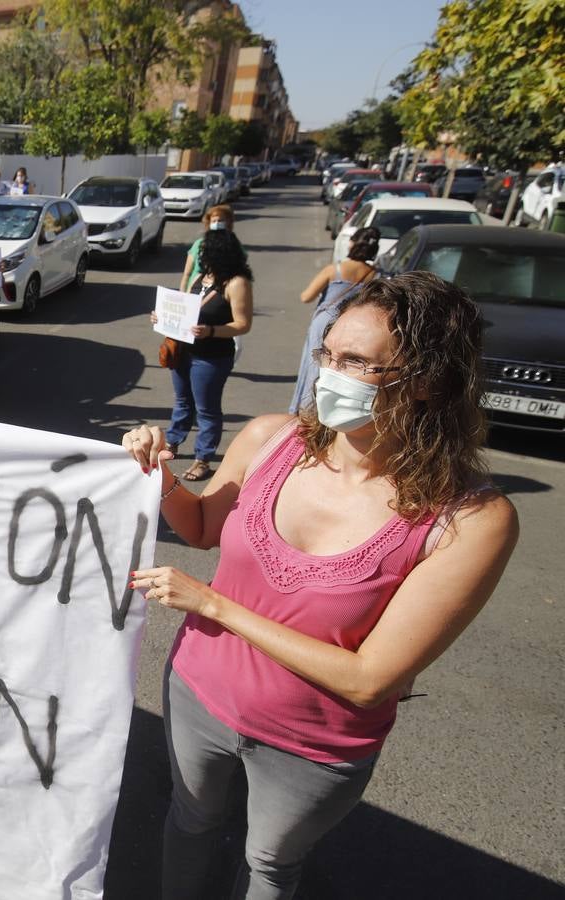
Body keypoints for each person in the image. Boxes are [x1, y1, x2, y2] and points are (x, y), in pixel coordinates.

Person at [123, 271, 517, 900]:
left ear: (429, 381)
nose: (329, 374)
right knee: (190, 821)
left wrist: (214, 604)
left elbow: (369, 678)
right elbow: (199, 528)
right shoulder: (270, 440)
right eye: (326, 354)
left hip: (314, 741)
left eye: (356, 361)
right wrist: (161, 473)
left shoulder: (471, 521)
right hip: (199, 689)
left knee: (270, 863)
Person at [153, 230, 254, 482]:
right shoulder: (200, 276)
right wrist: (161, 317)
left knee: (207, 409)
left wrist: (211, 331)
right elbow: (183, 308)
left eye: (205, 250)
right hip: (184, 350)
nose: (201, 254)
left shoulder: (236, 283)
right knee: (182, 401)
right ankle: (174, 442)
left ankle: (203, 458)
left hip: (212, 357)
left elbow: (243, 324)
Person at [289, 226, 380, 414]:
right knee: (339, 366)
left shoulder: (335, 269)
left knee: (314, 364)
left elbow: (306, 296)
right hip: (351, 324)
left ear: (352, 243)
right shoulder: (374, 274)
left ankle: (307, 410)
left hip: (324, 320)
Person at [180, 204, 237, 292]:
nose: (217, 223)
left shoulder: (234, 245)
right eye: (214, 221)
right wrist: (182, 294)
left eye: (220, 220)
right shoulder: (199, 244)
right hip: (194, 294)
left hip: (219, 295)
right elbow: (187, 274)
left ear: (228, 223)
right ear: (209, 223)